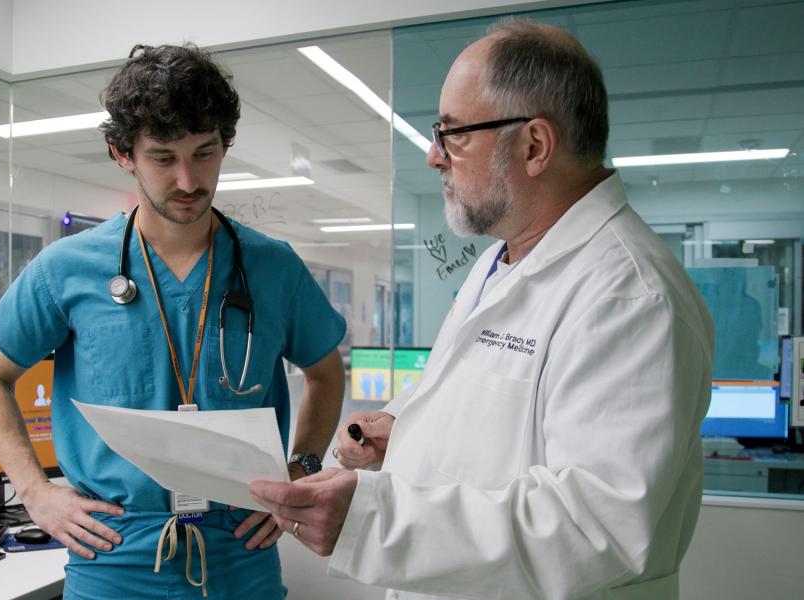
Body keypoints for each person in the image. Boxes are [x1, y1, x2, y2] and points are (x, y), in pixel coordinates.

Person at [251, 18, 714, 600]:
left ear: (534, 146)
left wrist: (370, 521)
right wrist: (401, 426)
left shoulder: (628, 297)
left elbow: (596, 528)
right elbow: (475, 397)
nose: (433, 157)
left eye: (452, 134)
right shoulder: (503, 259)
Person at [0, 44, 346, 599]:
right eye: (164, 158)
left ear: (225, 144)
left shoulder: (273, 268)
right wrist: (35, 493)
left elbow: (325, 372)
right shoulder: (68, 269)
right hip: (112, 557)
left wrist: (301, 470)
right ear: (123, 153)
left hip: (240, 554)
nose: (190, 180)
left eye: (206, 152)